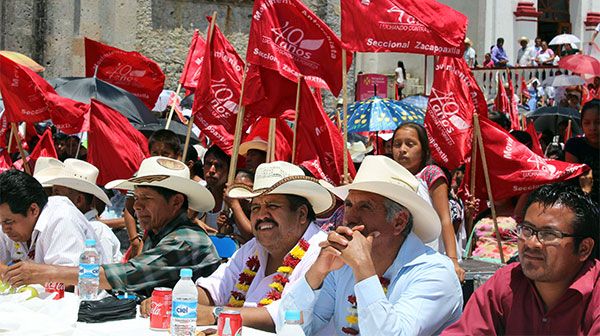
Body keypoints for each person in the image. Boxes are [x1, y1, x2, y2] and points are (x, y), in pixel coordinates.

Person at [274, 155, 462, 335]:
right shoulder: (342, 266)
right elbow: (289, 326)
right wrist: (316, 273)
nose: (349, 218)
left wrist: (363, 268)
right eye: (348, 205)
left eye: (365, 206)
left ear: (399, 222)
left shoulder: (435, 273)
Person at [141, 161, 334, 331]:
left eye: (272, 206)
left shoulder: (322, 252)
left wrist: (214, 314)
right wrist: (176, 301)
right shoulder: (253, 247)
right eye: (256, 207)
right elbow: (216, 287)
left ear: (301, 214)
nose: (261, 215)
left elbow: (286, 314)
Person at [1, 157, 221, 296]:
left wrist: (44, 272)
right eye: (136, 197)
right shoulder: (159, 232)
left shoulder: (185, 241)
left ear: (176, 203)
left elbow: (128, 275)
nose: (137, 206)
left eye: (147, 198)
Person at [442, 183, 599, 335]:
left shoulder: (595, 297)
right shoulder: (506, 283)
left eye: (549, 234)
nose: (531, 243)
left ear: (584, 249)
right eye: (527, 230)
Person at [391, 123, 465, 281]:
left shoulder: (430, 174)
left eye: (410, 144)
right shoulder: (389, 179)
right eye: (397, 144)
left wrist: (453, 261)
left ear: (424, 150)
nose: (402, 149)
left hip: (431, 257)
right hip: (400, 259)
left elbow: (445, 219)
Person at [0, 169, 103, 273]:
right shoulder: (10, 218)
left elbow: (69, 280)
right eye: (0, 223)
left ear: (33, 210)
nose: (4, 230)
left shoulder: (61, 219)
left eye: (8, 222)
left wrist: (25, 274)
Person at [34, 158, 122, 263]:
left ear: (79, 200)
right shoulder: (66, 225)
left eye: (57, 194)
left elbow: (102, 272)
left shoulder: (97, 230)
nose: (51, 200)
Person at [565, 99, 599, 203]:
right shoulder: (574, 146)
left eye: (598, 122)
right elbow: (579, 185)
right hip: (582, 205)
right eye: (587, 123)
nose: (592, 128)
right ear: (581, 125)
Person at [202, 145, 230, 233]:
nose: (212, 170)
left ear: (229, 170)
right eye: (208, 164)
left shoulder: (233, 202)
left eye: (219, 166)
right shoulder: (196, 196)